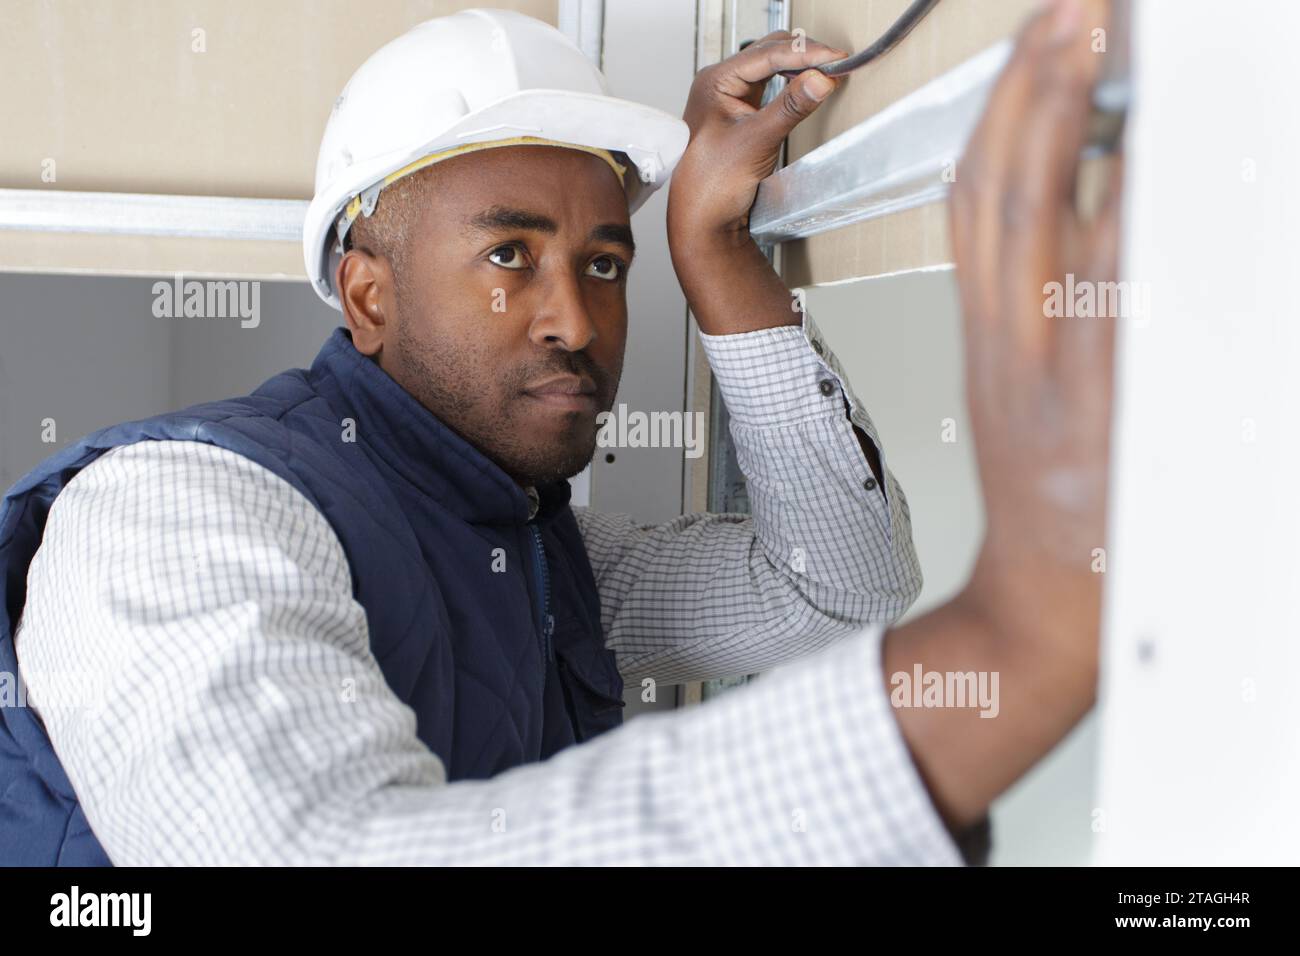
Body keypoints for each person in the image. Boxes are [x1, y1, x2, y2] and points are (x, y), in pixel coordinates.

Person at [0, 0, 1115, 865]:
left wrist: (713, 253)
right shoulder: (173, 509)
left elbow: (835, 588)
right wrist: (1016, 637)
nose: (576, 321)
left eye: (604, 264)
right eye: (507, 256)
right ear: (369, 296)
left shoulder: (537, 554)